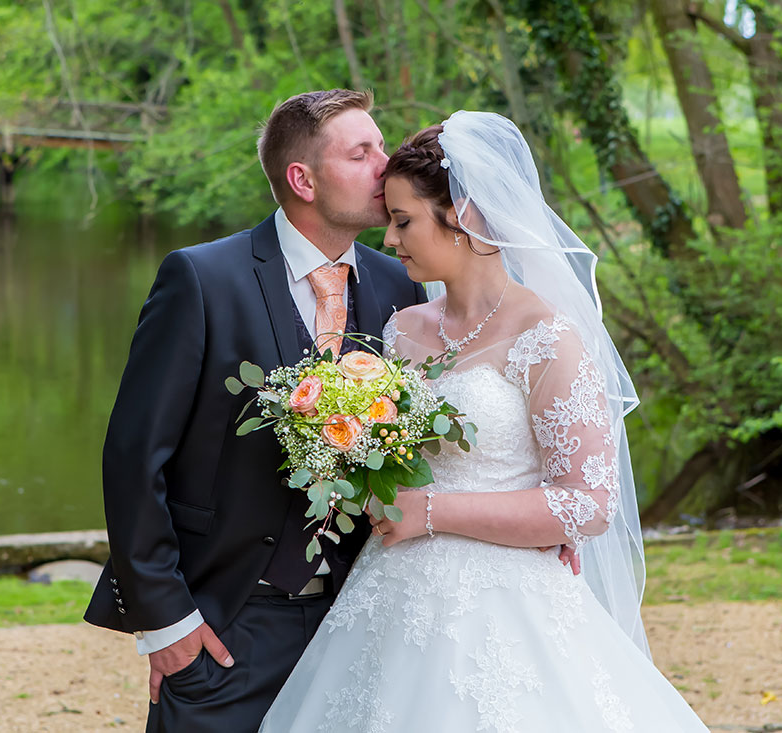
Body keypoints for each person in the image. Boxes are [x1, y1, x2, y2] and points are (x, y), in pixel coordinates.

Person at [260, 111, 710, 731]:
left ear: (464, 216)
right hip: (390, 595)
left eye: (403, 220)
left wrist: (433, 512)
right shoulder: (401, 329)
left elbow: (586, 504)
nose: (389, 241)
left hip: (509, 606)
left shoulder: (546, 337)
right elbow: (392, 456)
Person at [84, 89, 426, 732]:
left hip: (362, 621)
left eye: (381, 146)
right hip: (228, 627)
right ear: (302, 178)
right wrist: (169, 626)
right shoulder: (201, 279)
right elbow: (134, 459)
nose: (387, 163)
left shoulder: (399, 285)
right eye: (362, 152)